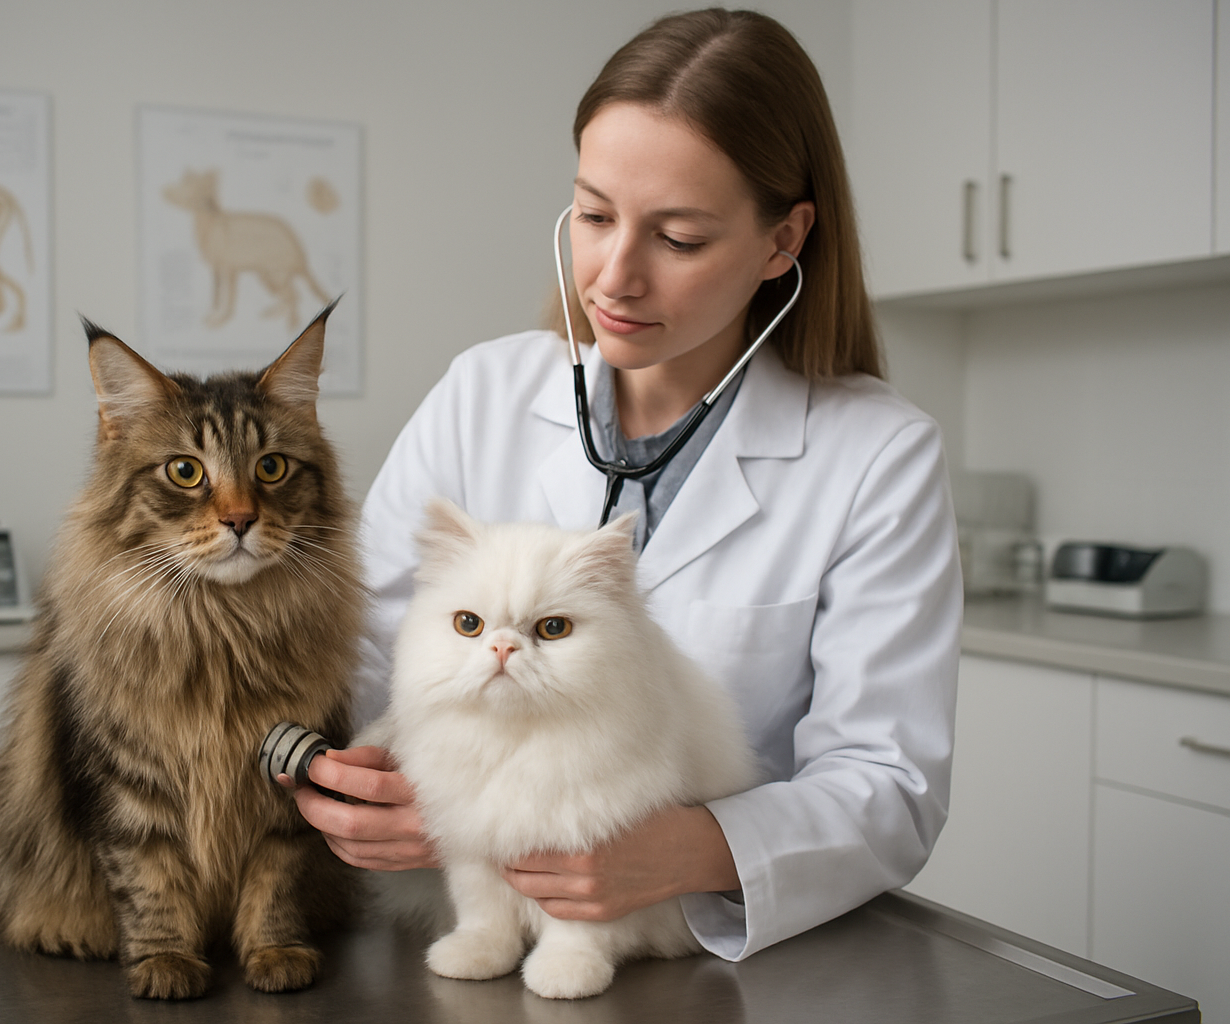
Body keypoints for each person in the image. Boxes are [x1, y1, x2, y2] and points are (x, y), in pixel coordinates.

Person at [292, 7, 962, 960]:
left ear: (784, 242)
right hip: (472, 932)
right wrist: (361, 785)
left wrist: (698, 846)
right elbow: (352, 657)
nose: (612, 276)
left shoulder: (876, 457)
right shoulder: (485, 391)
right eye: (595, 214)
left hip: (702, 949)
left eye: (678, 238)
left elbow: (889, 782)